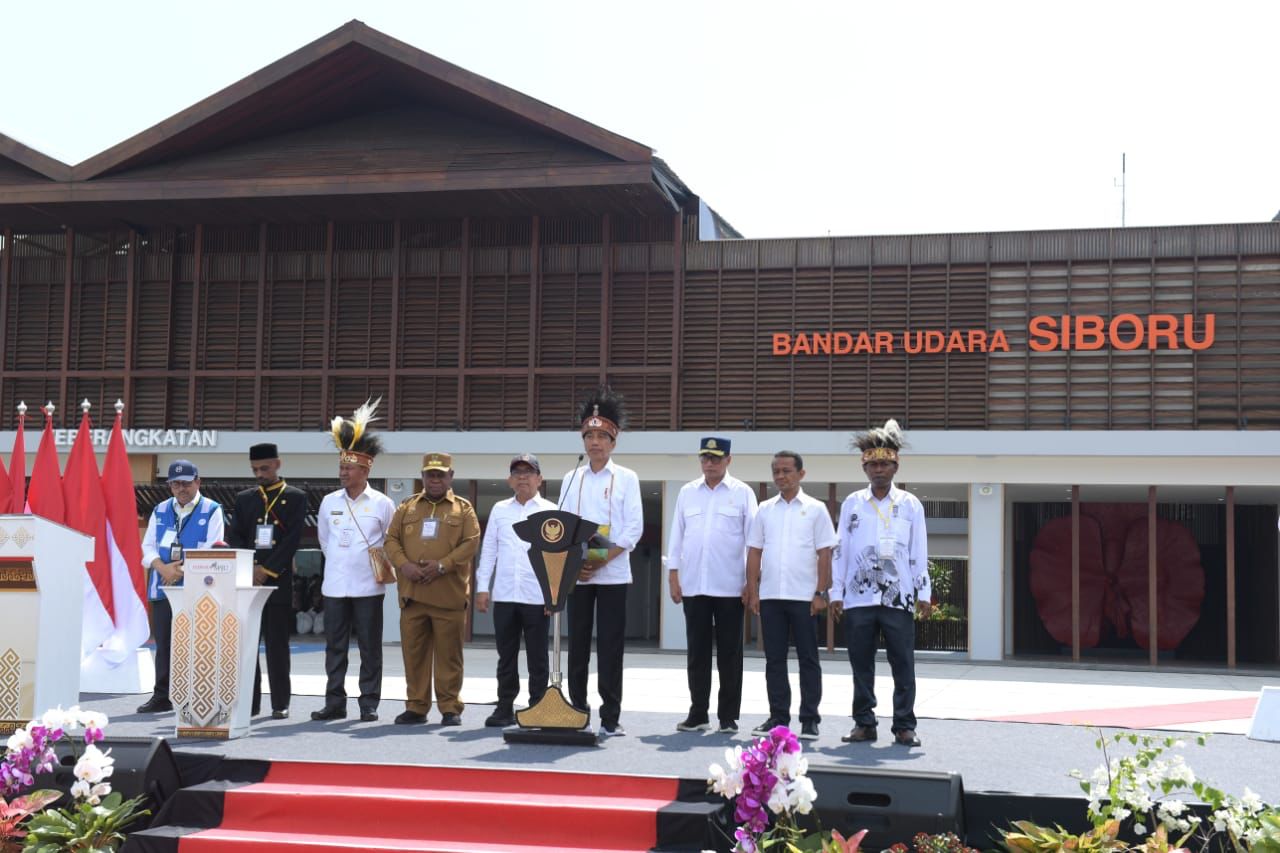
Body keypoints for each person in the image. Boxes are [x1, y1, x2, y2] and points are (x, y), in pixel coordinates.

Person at [832, 419, 931, 748]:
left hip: (898, 597)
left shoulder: (910, 504)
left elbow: (919, 551)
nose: (878, 470)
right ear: (864, 467)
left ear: (895, 466)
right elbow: (841, 551)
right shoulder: (852, 503)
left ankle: (904, 725)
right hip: (859, 597)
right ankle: (864, 723)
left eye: (884, 464)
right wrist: (835, 592)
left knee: (903, 663)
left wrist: (924, 592)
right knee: (861, 663)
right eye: (872, 464)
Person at [559, 386, 643, 737]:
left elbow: (633, 528)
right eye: (589, 436)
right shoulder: (571, 477)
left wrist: (600, 558)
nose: (595, 442)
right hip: (578, 575)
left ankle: (610, 716)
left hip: (612, 574)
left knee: (610, 647)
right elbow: (563, 525)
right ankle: (578, 710)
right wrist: (577, 563)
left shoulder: (627, 478)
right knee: (577, 646)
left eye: (601, 437)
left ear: (613, 441)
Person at [667, 436, 757, 734]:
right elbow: (677, 536)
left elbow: (753, 541)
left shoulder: (742, 493)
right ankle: (698, 713)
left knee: (730, 654)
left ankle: (728, 716)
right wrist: (673, 574)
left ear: (728, 460)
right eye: (705, 458)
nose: (709, 463)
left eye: (716, 458)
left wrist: (751, 582)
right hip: (694, 585)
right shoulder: (687, 492)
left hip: (731, 586)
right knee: (697, 653)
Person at [745, 450, 837, 741]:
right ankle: (778, 717)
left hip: (804, 597)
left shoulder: (816, 509)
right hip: (771, 595)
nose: (780, 476)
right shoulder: (764, 509)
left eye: (786, 470)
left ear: (801, 474)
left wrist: (821, 592)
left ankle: (809, 719)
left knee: (808, 659)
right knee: (774, 660)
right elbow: (754, 551)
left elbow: (825, 553)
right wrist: (753, 590)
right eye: (776, 471)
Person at [383, 452, 480, 726]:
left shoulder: (464, 509)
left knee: (449, 657)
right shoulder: (406, 507)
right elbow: (391, 540)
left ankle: (450, 707)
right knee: (414, 656)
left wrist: (442, 565)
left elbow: (471, 543)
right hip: (412, 595)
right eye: (430, 474)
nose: (435, 479)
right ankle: (416, 706)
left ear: (451, 477)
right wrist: (404, 566)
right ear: (422, 476)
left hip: (448, 597)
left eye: (440, 474)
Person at [313, 400, 396, 722]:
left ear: (365, 470)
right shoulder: (328, 502)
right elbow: (324, 540)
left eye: (348, 469)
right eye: (341, 468)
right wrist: (340, 561)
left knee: (369, 648)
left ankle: (369, 703)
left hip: (368, 587)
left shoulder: (382, 503)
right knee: (334, 647)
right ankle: (334, 701)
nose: (343, 473)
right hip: (335, 585)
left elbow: (390, 541)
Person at [474, 453, 557, 727]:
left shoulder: (550, 510)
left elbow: (556, 557)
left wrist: (553, 595)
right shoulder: (500, 509)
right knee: (506, 655)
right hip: (505, 595)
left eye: (528, 472)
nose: (523, 478)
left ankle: (537, 707)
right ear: (509, 480)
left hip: (537, 596)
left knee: (538, 656)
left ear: (539, 479)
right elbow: (489, 551)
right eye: (517, 473)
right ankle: (504, 707)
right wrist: (482, 588)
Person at [137, 460, 225, 713]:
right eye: (175, 484)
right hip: (162, 586)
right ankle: (162, 695)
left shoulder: (212, 509)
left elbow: (213, 548)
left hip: (197, 589)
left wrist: (181, 570)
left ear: (197, 482)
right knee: (164, 644)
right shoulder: (161, 509)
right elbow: (147, 547)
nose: (181, 489)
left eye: (186, 483)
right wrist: (162, 568)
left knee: (194, 645)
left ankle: (193, 695)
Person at [229, 442, 306, 720]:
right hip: (247, 581)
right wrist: (250, 567)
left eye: (264, 468)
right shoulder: (245, 498)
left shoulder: (295, 497)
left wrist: (267, 570)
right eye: (255, 470)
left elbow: (292, 540)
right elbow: (235, 535)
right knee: (248, 645)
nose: (259, 474)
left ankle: (280, 702)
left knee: (277, 646)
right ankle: (250, 702)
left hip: (277, 582)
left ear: (277, 464)